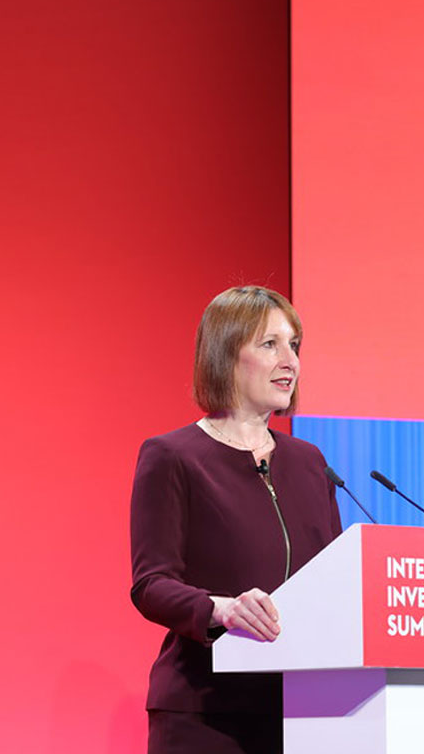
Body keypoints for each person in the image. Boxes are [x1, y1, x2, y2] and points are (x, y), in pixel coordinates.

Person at [129, 285, 342, 753]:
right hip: (207, 711)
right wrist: (221, 609)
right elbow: (151, 584)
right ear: (226, 354)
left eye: (294, 345)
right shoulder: (173, 456)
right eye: (270, 344)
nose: (290, 361)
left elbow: (336, 582)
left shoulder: (311, 463)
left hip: (306, 711)